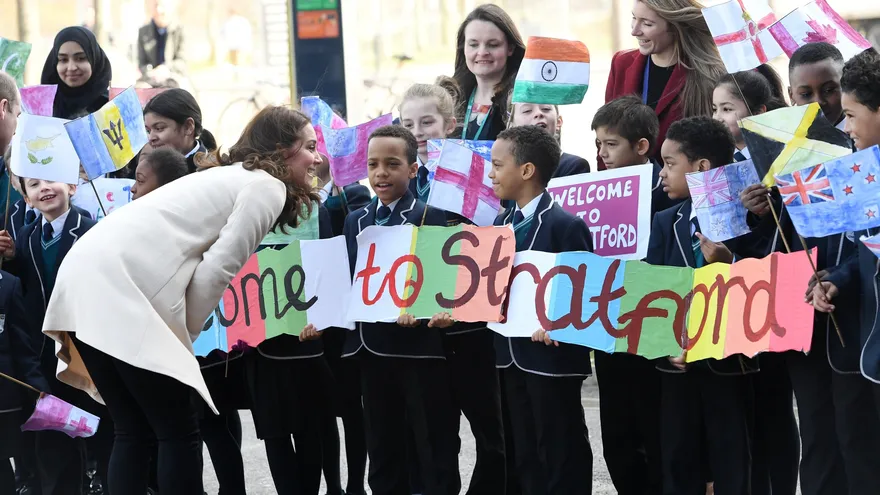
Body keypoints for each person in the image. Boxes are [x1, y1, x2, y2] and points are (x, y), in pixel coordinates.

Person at [36, 106, 319, 495]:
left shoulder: (227, 175)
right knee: (177, 430)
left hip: (81, 281)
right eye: (309, 147)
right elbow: (218, 268)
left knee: (132, 429)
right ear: (284, 150)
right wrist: (183, 337)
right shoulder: (267, 186)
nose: (316, 158)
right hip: (118, 287)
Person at [309, 125, 460, 494]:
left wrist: (424, 311)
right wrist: (321, 317)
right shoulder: (355, 220)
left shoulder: (430, 216)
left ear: (413, 169)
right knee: (381, 440)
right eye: (373, 164)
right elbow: (347, 282)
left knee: (429, 439)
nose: (381, 173)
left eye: (392, 164)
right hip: (370, 349)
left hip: (417, 350)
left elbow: (440, 283)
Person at [399, 79, 507, 495]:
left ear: (450, 124)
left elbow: (491, 237)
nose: (418, 132)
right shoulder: (401, 180)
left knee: (491, 431)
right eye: (408, 123)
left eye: (427, 122)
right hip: (422, 331)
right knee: (434, 435)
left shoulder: (474, 172)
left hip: (471, 327)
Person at [647, 116, 756, 495]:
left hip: (729, 363)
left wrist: (730, 263)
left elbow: (764, 278)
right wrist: (667, 343)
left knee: (731, 454)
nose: (662, 174)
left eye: (670, 163)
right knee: (678, 454)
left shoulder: (745, 217)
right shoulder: (665, 221)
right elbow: (655, 287)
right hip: (677, 362)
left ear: (701, 167)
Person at [490, 125, 594, 494]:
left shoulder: (565, 225)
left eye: (498, 165)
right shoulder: (500, 224)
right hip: (509, 355)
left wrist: (559, 325)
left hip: (551, 358)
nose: (491, 173)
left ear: (527, 170)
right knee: (524, 452)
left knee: (560, 446)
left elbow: (583, 293)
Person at [711, 66, 800, 495]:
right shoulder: (721, 165)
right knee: (748, 409)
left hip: (776, 294)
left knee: (775, 404)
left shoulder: (783, 159)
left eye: (727, 109)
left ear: (760, 112)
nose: (719, 118)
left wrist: (765, 212)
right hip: (735, 296)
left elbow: (788, 234)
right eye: (715, 109)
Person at [809, 47, 880, 492]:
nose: (847, 127)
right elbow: (863, 254)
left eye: (851, 115)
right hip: (870, 352)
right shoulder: (864, 174)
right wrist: (836, 279)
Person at [0, 172, 95, 495]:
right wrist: (10, 260)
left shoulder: (91, 230)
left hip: (86, 348)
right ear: (26, 198)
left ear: (72, 186)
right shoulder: (26, 237)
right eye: (34, 185)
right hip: (43, 353)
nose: (44, 188)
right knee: (53, 437)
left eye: (51, 180)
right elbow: (22, 289)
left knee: (98, 428)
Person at [602, 0, 725, 170]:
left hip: (682, 182)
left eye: (647, 24)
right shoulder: (621, 63)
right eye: (634, 18)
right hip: (626, 181)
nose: (634, 31)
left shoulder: (709, 74)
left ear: (675, 26)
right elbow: (606, 131)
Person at [453, 4, 525, 142]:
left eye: (493, 45)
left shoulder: (524, 101)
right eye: (473, 44)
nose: (482, 52)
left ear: (510, 48)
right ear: (463, 48)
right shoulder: (450, 98)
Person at [40, 26, 112, 120]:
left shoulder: (111, 107)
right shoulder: (41, 108)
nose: (71, 68)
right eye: (63, 59)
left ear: (95, 60)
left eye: (81, 58)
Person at [507, 101, 591, 176]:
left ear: (558, 122)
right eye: (527, 110)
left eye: (546, 108)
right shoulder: (504, 171)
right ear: (511, 126)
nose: (538, 113)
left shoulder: (573, 166)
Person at [143, 88, 217, 173]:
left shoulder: (211, 172)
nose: (151, 138)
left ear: (188, 127)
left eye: (159, 128)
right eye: (148, 131)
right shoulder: (150, 169)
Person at [788, 42, 846, 130]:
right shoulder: (784, 137)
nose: (818, 102)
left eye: (828, 90)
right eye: (806, 94)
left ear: (846, 84)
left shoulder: (866, 134)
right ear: (791, 96)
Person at [138, 0, 186, 87]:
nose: (159, 10)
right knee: (139, 89)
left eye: (162, 6)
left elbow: (182, 61)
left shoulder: (179, 30)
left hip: (173, 76)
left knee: (182, 90)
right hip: (151, 78)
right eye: (156, 6)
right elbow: (141, 63)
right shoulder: (143, 31)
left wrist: (166, 68)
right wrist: (151, 72)